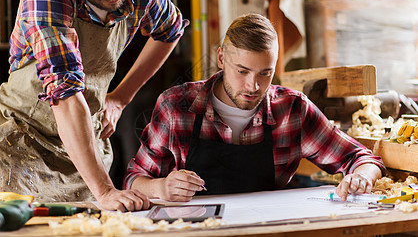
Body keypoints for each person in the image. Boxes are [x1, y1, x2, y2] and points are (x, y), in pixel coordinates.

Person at [0, 0, 189, 212]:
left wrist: (120, 97)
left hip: (86, 137)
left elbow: (170, 31)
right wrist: (105, 190)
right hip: (25, 136)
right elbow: (66, 94)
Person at [124, 13, 385, 202]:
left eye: (265, 73)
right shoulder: (176, 106)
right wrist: (161, 187)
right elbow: (135, 179)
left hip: (269, 229)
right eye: (242, 71)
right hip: (199, 228)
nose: (253, 86)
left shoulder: (292, 110)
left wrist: (361, 177)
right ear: (221, 58)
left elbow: (362, 158)